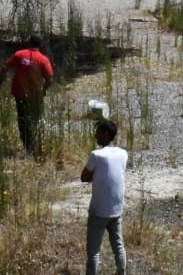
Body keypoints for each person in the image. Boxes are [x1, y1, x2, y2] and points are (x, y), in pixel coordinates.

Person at [81, 118, 128, 275]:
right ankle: (122, 271)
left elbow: (84, 177)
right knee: (118, 245)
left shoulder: (96, 155)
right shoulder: (123, 154)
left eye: (98, 133)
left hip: (99, 210)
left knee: (94, 252)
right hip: (116, 208)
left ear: (106, 134)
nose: (96, 136)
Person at [0, 34, 54, 155]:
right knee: (36, 120)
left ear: (28, 42)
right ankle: (35, 147)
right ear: (41, 45)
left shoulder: (19, 54)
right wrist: (43, 91)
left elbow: (5, 68)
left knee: (22, 120)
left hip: (20, 94)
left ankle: (28, 147)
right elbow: (50, 78)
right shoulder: (43, 59)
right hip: (35, 95)